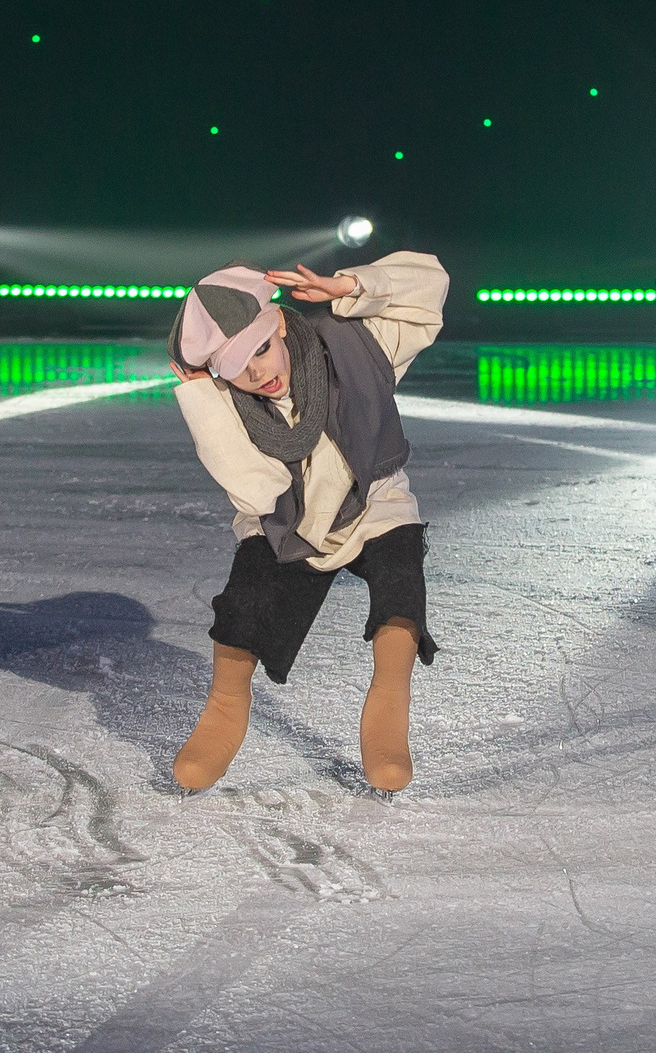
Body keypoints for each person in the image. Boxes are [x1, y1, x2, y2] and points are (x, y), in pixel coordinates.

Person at [166, 251, 450, 792]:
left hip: (373, 502)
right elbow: (257, 490)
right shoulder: (230, 402)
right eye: (234, 369)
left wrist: (351, 286)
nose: (257, 374)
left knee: (400, 581)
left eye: (262, 351)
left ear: (275, 323)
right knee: (245, 600)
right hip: (286, 517)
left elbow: (428, 288)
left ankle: (389, 705)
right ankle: (225, 708)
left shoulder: (355, 340)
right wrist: (204, 403)